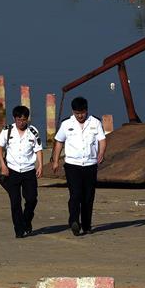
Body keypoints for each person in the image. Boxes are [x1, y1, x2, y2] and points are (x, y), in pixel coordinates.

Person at [51, 97, 107, 236]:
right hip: (72, 165)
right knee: (75, 194)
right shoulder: (66, 124)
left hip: (90, 164)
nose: (80, 116)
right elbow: (59, 142)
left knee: (88, 196)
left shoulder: (95, 122)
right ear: (73, 111)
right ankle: (74, 221)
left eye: (82, 113)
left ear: (86, 110)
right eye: (77, 113)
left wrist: (101, 152)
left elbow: (102, 139)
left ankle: (87, 225)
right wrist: (56, 160)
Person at [0, 105, 43, 238]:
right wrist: (3, 166)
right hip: (12, 171)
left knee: (32, 199)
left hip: (29, 171)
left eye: (24, 120)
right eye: (19, 119)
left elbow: (38, 149)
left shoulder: (33, 131)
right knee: (15, 201)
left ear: (27, 119)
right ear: (14, 118)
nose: (21, 122)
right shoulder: (7, 130)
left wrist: (40, 166)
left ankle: (26, 221)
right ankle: (19, 229)